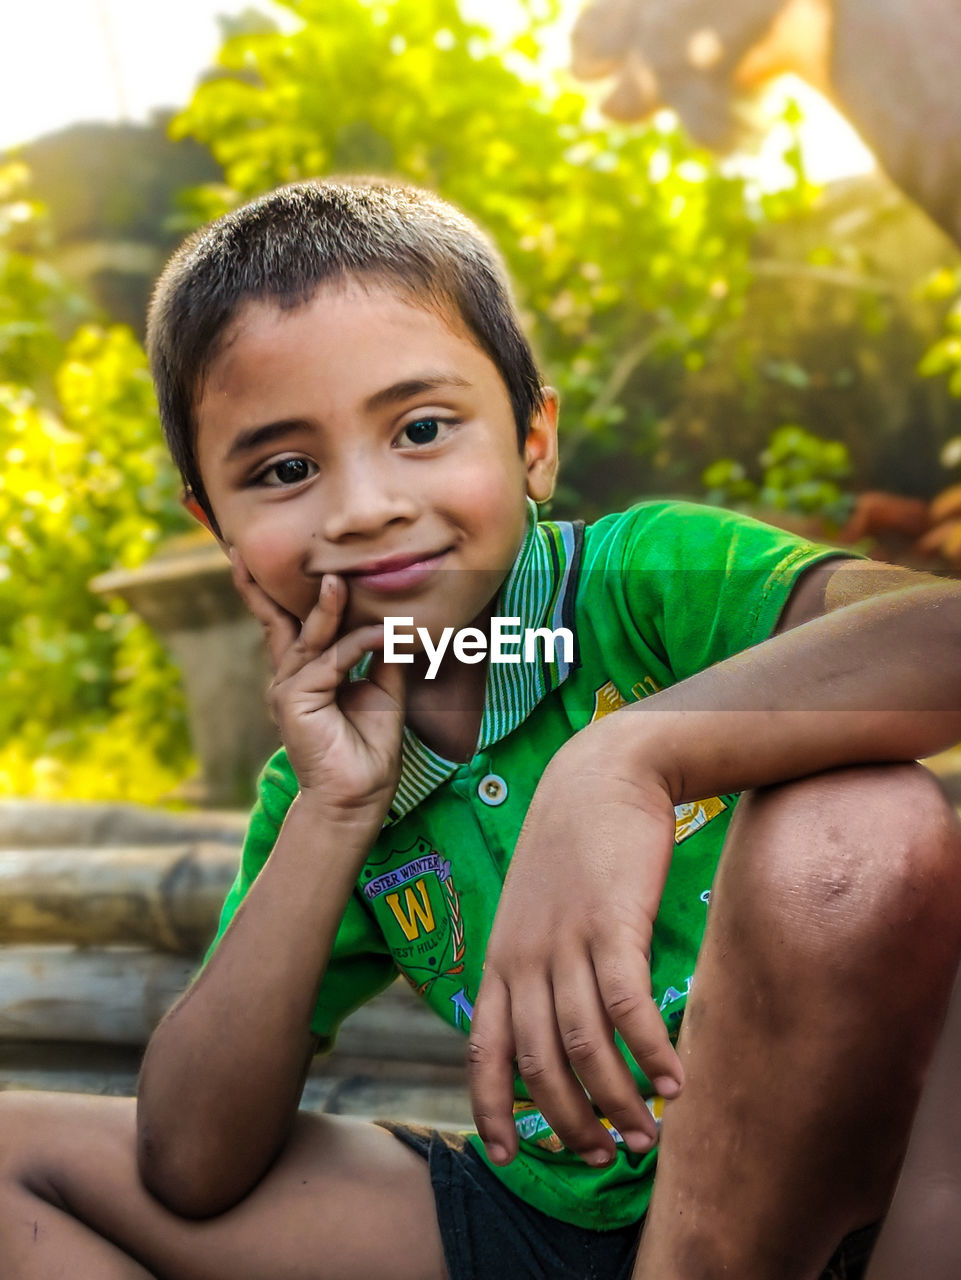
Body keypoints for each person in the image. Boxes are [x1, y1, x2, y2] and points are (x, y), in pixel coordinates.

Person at [2, 178, 961, 1280]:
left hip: (845, 1209)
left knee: (859, 824)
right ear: (218, 527)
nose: (362, 504)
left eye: (419, 427)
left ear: (533, 441)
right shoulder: (327, 771)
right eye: (283, 469)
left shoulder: (645, 581)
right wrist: (334, 811)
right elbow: (191, 1158)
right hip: (561, 1221)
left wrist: (625, 757)